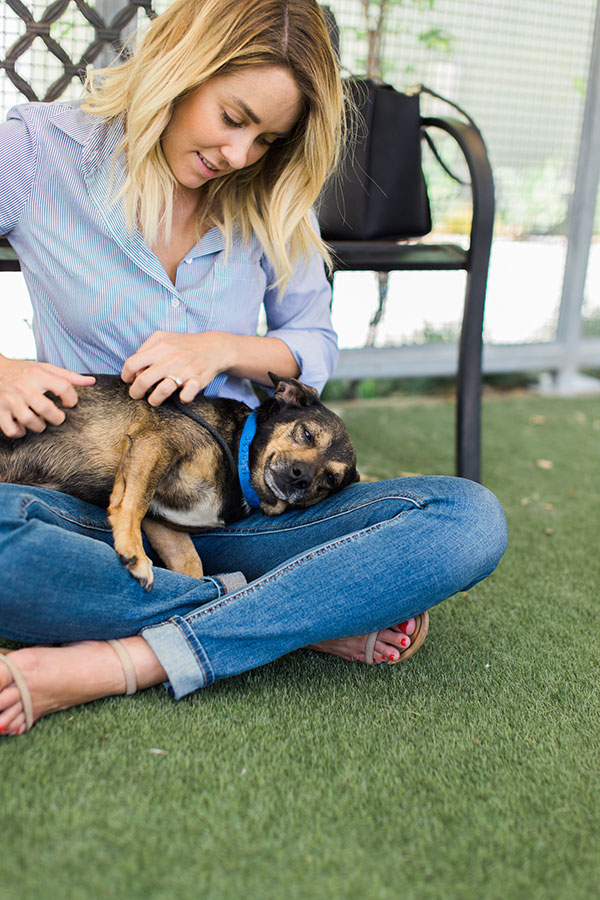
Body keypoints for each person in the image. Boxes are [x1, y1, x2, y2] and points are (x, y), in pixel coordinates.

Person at [0, 0, 507, 736]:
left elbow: (314, 339)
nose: (240, 155)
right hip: (86, 508)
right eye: (233, 117)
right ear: (180, 65)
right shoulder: (37, 150)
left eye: (267, 138)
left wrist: (223, 348)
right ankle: (295, 615)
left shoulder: (268, 194)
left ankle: (132, 656)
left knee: (468, 518)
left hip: (241, 509)